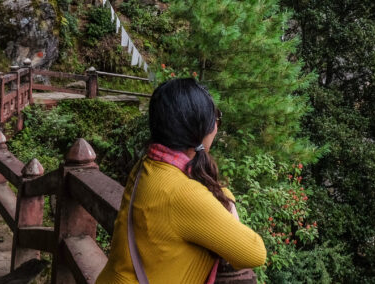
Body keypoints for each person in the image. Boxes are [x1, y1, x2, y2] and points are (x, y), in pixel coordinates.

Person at [97, 78, 266, 284]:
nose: (216, 126)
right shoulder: (183, 193)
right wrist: (228, 202)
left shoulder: (148, 163)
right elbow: (255, 253)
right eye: (216, 119)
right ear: (200, 129)